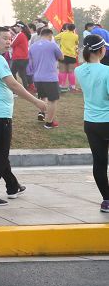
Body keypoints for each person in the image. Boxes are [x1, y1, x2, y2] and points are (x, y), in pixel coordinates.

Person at [0, 27, 48, 206]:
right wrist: (36, 102)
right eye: (4, 38)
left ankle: (13, 186)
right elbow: (13, 84)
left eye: (10, 38)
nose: (8, 42)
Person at [76, 34, 109, 213]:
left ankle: (106, 200)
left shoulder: (79, 70)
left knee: (99, 162)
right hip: (107, 120)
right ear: (102, 50)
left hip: (90, 122)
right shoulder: (106, 71)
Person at [28, 28, 63, 128]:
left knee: (42, 96)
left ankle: (41, 113)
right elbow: (61, 57)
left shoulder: (32, 46)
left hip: (37, 77)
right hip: (50, 77)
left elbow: (30, 62)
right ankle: (49, 123)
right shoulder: (52, 45)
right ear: (50, 35)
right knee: (53, 100)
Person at [55, 23, 79, 92]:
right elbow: (76, 43)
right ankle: (72, 87)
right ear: (74, 29)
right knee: (71, 72)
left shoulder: (62, 34)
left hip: (63, 55)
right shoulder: (76, 36)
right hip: (72, 56)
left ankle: (60, 86)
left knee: (62, 71)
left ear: (67, 28)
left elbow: (55, 38)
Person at [10, 23, 31, 89]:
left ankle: (15, 89)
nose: (15, 28)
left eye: (16, 27)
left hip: (18, 57)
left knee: (12, 73)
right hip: (24, 58)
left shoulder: (20, 34)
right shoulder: (24, 35)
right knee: (22, 74)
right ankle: (25, 89)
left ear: (20, 27)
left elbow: (12, 44)